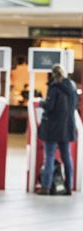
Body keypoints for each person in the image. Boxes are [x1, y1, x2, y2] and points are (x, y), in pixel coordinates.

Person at [38, 64, 77, 195]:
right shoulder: (72, 87)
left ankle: (45, 187)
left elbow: (49, 106)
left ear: (52, 74)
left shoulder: (54, 87)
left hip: (53, 127)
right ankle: (68, 187)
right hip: (67, 127)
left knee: (49, 156)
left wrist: (40, 102)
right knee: (66, 156)